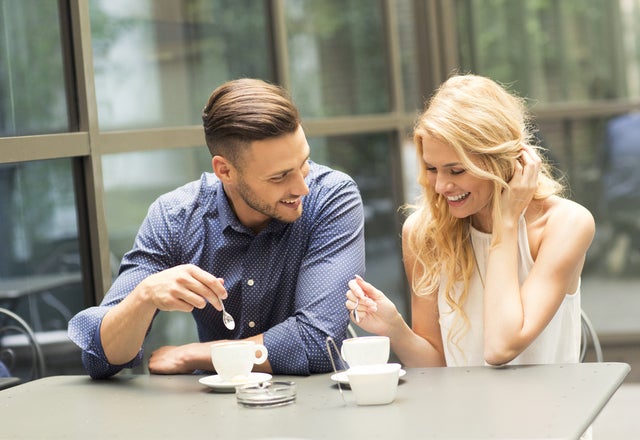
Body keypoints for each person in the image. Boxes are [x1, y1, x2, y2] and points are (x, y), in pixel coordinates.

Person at [68, 78, 365, 379]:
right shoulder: (175, 217)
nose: (302, 187)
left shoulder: (332, 198)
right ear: (225, 170)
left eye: (304, 163)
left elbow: (318, 343)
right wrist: (144, 296)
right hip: (212, 415)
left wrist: (193, 355)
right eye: (279, 177)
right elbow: (100, 358)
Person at [346, 74, 595, 368]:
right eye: (432, 168)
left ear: (502, 161)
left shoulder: (565, 224)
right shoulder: (423, 232)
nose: (440, 186)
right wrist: (395, 330)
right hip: (461, 413)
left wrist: (506, 223)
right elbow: (436, 368)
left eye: (456, 170)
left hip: (549, 411)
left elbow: (500, 348)